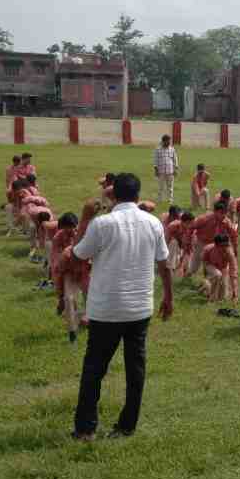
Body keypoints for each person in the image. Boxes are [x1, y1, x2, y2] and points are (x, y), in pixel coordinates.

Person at [70, 173, 173, 442]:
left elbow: (78, 254)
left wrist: (84, 219)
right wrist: (169, 297)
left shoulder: (102, 224)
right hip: (139, 308)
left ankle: (85, 429)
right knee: (135, 369)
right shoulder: (152, 223)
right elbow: (164, 264)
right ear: (138, 196)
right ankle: (127, 426)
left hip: (106, 309)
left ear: (112, 196)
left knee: (94, 369)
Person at [50, 212, 86, 343]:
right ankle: (72, 331)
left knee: (92, 301)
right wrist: (60, 295)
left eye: (72, 227)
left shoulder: (84, 234)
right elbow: (56, 263)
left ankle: (85, 318)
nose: (70, 230)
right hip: (68, 271)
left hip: (85, 269)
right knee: (69, 299)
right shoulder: (58, 238)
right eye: (66, 227)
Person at [187, 202, 239, 277]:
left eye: (225, 213)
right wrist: (188, 241)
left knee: (213, 265)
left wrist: (235, 248)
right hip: (202, 242)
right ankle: (188, 275)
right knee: (194, 266)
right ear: (215, 211)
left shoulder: (227, 222)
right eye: (221, 213)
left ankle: (211, 279)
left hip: (216, 245)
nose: (224, 215)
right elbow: (191, 227)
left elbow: (233, 235)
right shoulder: (205, 218)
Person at [201, 234, 238, 303]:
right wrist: (206, 275)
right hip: (210, 265)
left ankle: (206, 285)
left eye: (226, 245)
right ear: (216, 245)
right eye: (222, 245)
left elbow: (233, 273)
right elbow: (204, 263)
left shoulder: (230, 253)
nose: (225, 247)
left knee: (222, 297)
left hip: (223, 268)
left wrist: (234, 293)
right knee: (217, 275)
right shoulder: (208, 249)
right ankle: (211, 298)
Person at [153, 134, 179, 203]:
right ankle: (159, 200)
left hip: (170, 171)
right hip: (161, 171)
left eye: (170, 141)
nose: (169, 143)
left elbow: (175, 159)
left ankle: (170, 200)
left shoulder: (172, 149)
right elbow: (155, 160)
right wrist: (156, 170)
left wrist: (176, 169)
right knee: (160, 187)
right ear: (163, 141)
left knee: (170, 187)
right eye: (168, 141)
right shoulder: (158, 149)